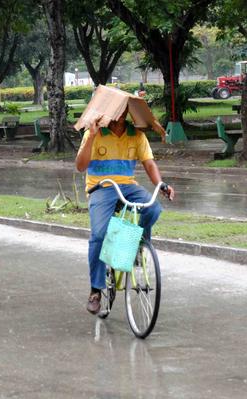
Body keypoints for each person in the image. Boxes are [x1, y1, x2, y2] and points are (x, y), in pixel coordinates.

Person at [75, 106, 175, 315]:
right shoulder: (93, 132)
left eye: (122, 110)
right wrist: (92, 136)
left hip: (128, 186)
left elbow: (149, 163)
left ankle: (135, 245)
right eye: (114, 110)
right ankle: (96, 289)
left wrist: (161, 184)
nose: (118, 115)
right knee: (99, 235)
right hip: (101, 187)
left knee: (153, 208)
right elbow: (80, 166)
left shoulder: (136, 134)